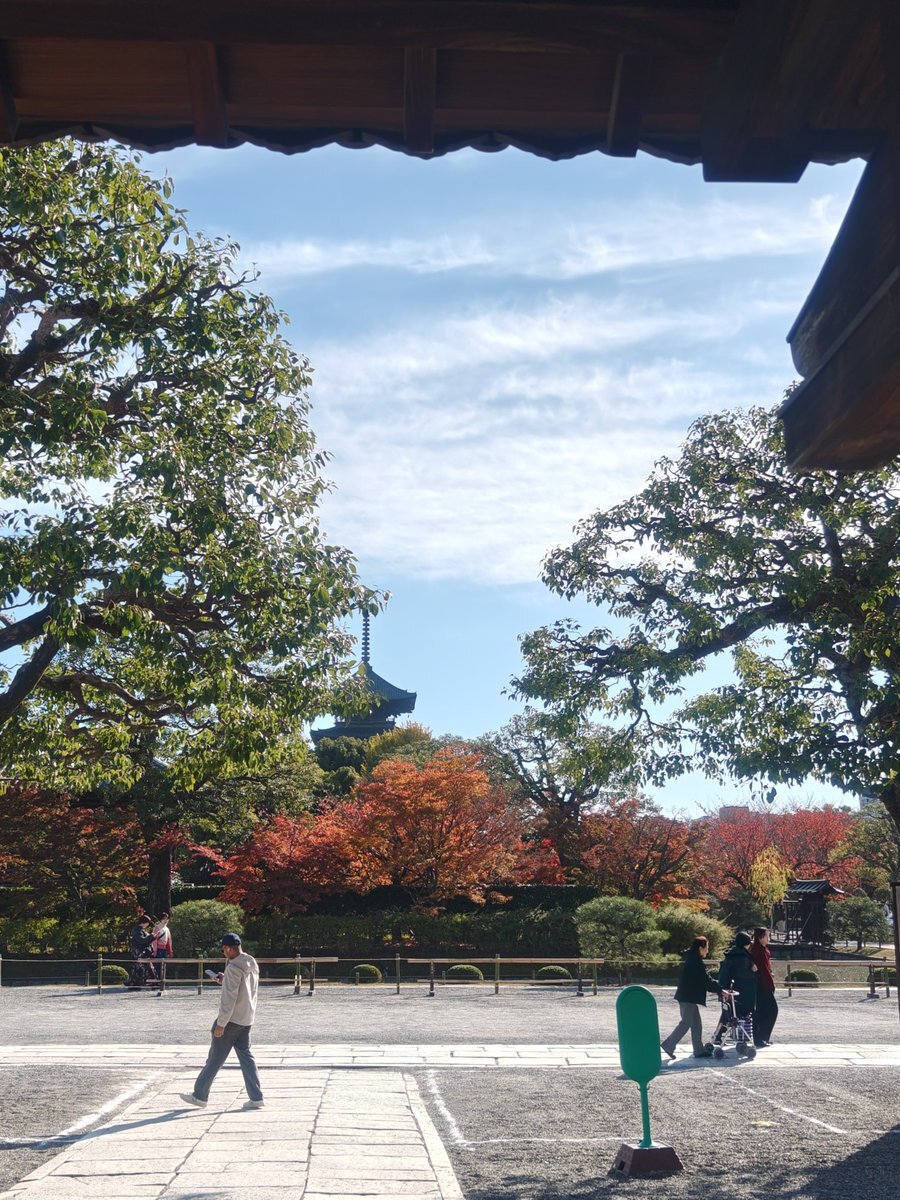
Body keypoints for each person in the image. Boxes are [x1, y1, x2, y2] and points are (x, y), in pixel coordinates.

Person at [180, 933, 264, 1110]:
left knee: (215, 1058)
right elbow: (245, 987)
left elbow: (229, 998)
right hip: (247, 1017)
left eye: (224, 949)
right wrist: (225, 980)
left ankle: (200, 1095)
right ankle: (256, 1097)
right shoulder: (251, 962)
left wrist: (221, 1023)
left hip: (232, 1019)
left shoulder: (233, 968)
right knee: (247, 1058)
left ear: (229, 948)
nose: (223, 953)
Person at [660, 936, 727, 1059]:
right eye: (706, 947)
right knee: (686, 1023)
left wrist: (718, 989)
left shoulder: (693, 958)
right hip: (688, 997)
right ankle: (668, 1045)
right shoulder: (695, 961)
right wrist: (720, 990)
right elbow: (706, 980)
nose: (707, 950)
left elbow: (704, 980)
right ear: (700, 948)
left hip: (688, 997)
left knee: (696, 1024)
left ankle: (699, 1050)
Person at [713, 931, 758, 1043]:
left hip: (727, 987)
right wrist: (754, 972)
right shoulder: (742, 956)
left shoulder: (732, 953)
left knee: (728, 1013)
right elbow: (742, 974)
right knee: (737, 1013)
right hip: (740, 990)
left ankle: (718, 1035)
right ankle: (740, 1037)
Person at [749, 926, 778, 1047]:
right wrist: (771, 984)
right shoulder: (758, 951)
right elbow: (763, 970)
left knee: (763, 1011)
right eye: (766, 936)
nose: (768, 938)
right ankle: (761, 1037)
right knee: (770, 1010)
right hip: (762, 985)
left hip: (761, 984)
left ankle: (762, 1038)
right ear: (761, 937)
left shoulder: (759, 949)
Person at [127, 915, 156, 987]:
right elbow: (141, 940)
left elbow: (145, 941)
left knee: (144, 967)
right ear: (144, 922)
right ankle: (140, 982)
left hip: (141, 951)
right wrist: (151, 936)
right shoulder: (137, 930)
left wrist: (153, 937)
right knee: (141, 967)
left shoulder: (139, 930)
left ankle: (147, 981)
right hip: (139, 952)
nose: (148, 925)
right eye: (147, 923)